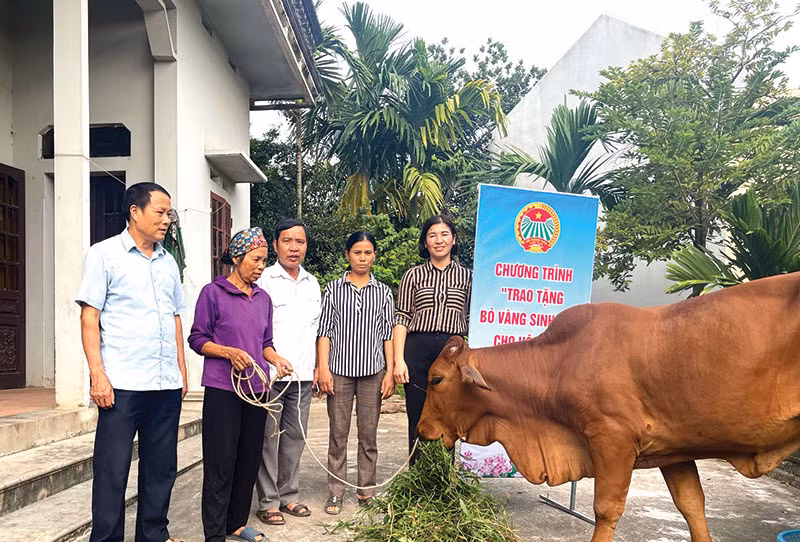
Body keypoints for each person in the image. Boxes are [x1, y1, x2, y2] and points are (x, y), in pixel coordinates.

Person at [76, 182, 187, 542]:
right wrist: (98, 375)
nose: (167, 219)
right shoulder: (103, 255)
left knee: (161, 471)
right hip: (122, 384)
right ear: (135, 212)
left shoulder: (169, 262)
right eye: (160, 211)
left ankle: (153, 536)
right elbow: (89, 317)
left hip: (163, 384)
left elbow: (173, 317)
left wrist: (181, 371)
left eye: (169, 213)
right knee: (112, 472)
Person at [188, 227, 294, 542]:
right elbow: (198, 339)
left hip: (257, 391)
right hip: (223, 389)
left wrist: (276, 359)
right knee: (221, 462)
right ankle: (215, 533)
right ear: (237, 258)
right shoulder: (213, 293)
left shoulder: (264, 299)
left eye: (264, 260)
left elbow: (265, 342)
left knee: (248, 459)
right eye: (256, 259)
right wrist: (228, 352)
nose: (261, 266)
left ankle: (237, 522)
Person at [316, 232, 395, 515]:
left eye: (368, 253)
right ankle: (336, 492)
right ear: (348, 254)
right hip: (339, 372)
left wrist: (389, 371)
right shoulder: (334, 289)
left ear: (375, 255)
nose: (362, 258)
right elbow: (324, 331)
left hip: (373, 373)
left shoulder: (383, 292)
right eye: (357, 252)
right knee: (338, 434)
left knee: (368, 435)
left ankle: (366, 491)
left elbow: (388, 334)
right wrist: (323, 368)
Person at [255, 218, 321, 525]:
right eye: (287, 241)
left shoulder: (312, 283)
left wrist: (320, 367)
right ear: (276, 244)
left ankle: (289, 496)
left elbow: (317, 330)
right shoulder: (264, 279)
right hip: (271, 376)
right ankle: (268, 501)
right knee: (269, 438)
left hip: (304, 375)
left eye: (300, 242)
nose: (294, 248)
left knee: (295, 437)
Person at [393, 214, 472, 462]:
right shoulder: (412, 276)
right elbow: (402, 318)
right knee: (417, 413)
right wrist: (398, 360)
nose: (439, 240)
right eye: (432, 235)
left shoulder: (468, 278)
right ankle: (416, 479)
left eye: (444, 234)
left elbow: (471, 317)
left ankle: (444, 479)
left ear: (454, 239)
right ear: (425, 243)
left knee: (448, 413)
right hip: (418, 348)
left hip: (452, 352)